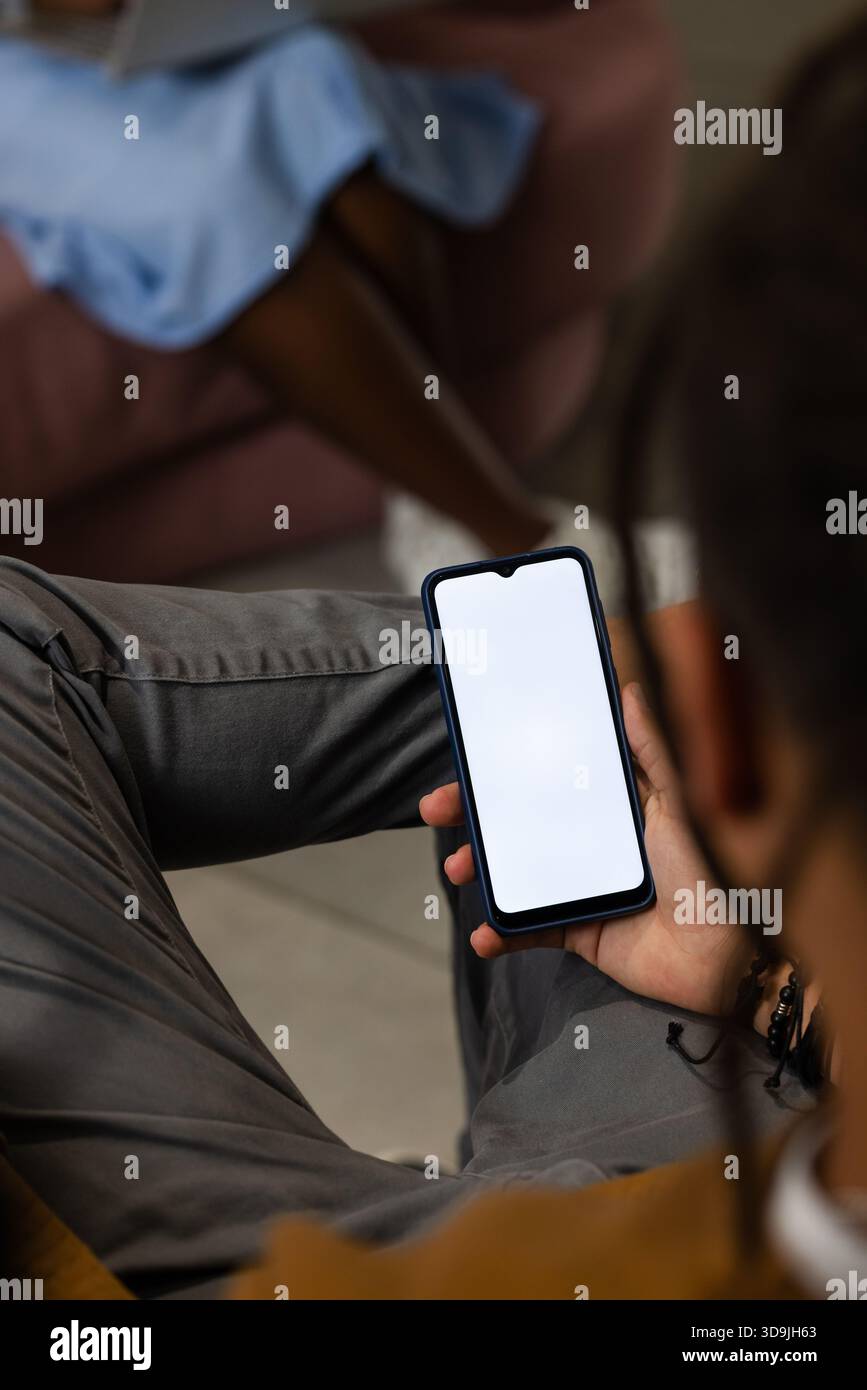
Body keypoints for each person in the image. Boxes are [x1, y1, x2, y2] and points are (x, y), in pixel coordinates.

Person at [1, 10, 863, 1303]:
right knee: (567, 723)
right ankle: (525, 589)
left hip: (417, 1261)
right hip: (711, 1112)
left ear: (731, 725)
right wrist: (767, 980)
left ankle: (537, 599)